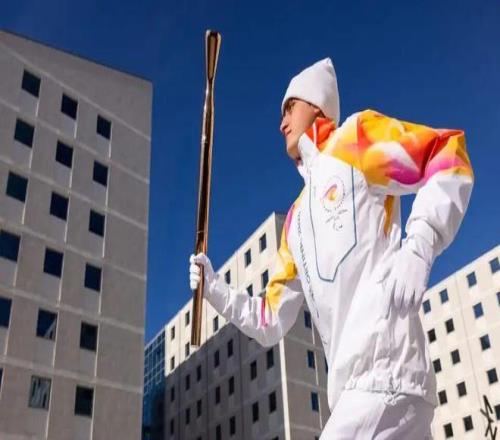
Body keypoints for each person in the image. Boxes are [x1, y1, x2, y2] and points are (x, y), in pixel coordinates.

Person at [189, 58, 474, 439]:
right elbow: (270, 319)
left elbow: (446, 155)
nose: (281, 122)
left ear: (316, 105)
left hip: (386, 372)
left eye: (289, 107)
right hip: (352, 392)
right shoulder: (295, 222)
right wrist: (215, 289)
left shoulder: (354, 140)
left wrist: (419, 246)